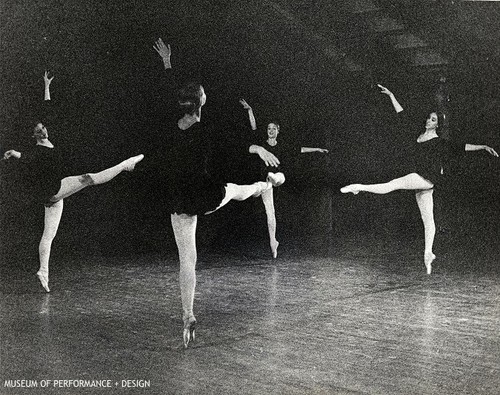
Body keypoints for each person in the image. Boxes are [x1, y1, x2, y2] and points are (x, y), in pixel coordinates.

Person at [153, 38, 281, 347]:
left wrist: (168, 63)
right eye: (204, 93)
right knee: (239, 191)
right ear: (199, 102)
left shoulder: (173, 123)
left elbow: (170, 93)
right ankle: (267, 185)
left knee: (187, 259)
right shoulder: (205, 131)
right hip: (206, 194)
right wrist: (254, 146)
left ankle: (187, 315)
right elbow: (232, 147)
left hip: (179, 198)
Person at [3, 71, 144, 292]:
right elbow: (28, 158)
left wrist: (46, 86)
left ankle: (43, 272)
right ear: (34, 136)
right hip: (54, 189)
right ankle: (125, 165)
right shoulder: (38, 150)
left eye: (43, 128)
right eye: (38, 131)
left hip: (53, 196)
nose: (43, 131)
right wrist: (14, 153)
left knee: (48, 235)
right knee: (88, 178)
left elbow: (48, 111)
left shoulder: (46, 140)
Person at [340, 84, 498, 274]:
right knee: (428, 220)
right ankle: (428, 254)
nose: (429, 121)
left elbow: (462, 147)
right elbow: (402, 116)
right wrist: (391, 95)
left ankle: (358, 187)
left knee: (393, 184)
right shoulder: (418, 136)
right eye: (429, 118)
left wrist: (482, 146)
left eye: (433, 120)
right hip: (423, 184)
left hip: (424, 177)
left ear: (438, 124)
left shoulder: (440, 142)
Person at [240, 99, 328, 258]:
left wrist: (317, 149)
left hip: (278, 178)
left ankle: (272, 177)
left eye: (273, 128)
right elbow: (253, 127)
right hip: (264, 184)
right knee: (270, 213)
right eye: (268, 128)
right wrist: (249, 110)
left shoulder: (282, 146)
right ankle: (273, 242)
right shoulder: (262, 143)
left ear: (278, 131)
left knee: (278, 177)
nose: (270, 131)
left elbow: (300, 149)